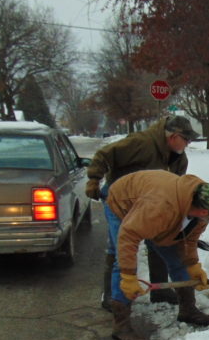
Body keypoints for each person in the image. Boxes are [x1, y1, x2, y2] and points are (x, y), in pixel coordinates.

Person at [86, 115, 202, 308]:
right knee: (120, 249)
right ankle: (114, 299)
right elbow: (104, 155)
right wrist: (93, 180)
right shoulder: (140, 143)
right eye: (186, 139)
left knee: (160, 242)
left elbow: (177, 186)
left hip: (150, 204)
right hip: (120, 200)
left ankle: (161, 290)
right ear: (173, 136)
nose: (188, 144)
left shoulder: (180, 159)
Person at [106, 171, 209, 340]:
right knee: (123, 264)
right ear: (203, 210)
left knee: (179, 262)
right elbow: (129, 236)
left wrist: (193, 265)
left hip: (156, 211)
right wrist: (128, 276)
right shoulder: (160, 208)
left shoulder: (203, 201)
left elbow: (189, 237)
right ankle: (121, 326)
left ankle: (188, 309)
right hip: (122, 202)